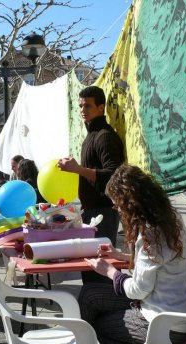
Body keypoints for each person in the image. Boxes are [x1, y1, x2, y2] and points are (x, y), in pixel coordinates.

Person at [81, 164, 186, 344]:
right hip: (178, 309)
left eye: (118, 204)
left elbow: (137, 289)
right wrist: (119, 254)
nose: (116, 209)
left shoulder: (150, 234)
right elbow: (155, 265)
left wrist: (110, 271)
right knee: (91, 295)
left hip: (165, 321)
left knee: (100, 328)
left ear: (130, 202)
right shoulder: (169, 219)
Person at [57, 86, 125, 246]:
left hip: (104, 211)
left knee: (100, 264)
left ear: (101, 108)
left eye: (88, 105)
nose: (82, 109)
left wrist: (78, 169)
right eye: (81, 106)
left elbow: (112, 175)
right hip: (91, 211)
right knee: (91, 265)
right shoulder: (92, 135)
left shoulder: (105, 136)